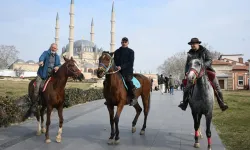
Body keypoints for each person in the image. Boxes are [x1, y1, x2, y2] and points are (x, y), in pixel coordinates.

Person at [178, 38, 228, 111]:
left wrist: (202, 66)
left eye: (193, 44)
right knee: (187, 87)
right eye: (191, 44)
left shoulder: (205, 51)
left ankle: (222, 104)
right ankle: (184, 103)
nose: (192, 45)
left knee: (217, 87)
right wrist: (186, 72)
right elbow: (187, 64)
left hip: (206, 70)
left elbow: (209, 60)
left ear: (198, 44)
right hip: (194, 72)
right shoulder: (190, 53)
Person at [104, 37, 137, 106]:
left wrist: (121, 67)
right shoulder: (117, 51)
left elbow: (130, 63)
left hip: (127, 71)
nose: (124, 43)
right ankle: (108, 98)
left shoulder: (131, 52)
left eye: (125, 42)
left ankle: (133, 98)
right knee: (106, 81)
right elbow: (114, 61)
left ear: (128, 43)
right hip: (117, 71)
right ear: (121, 42)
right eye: (123, 42)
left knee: (128, 81)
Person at [30, 43, 61, 113]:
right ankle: (34, 105)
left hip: (50, 75)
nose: (54, 49)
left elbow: (58, 64)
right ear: (51, 47)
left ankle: (49, 103)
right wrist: (41, 61)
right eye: (53, 48)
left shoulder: (57, 56)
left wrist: (58, 67)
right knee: (37, 87)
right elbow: (42, 57)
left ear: (56, 49)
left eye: (55, 48)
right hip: (42, 75)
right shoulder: (46, 53)